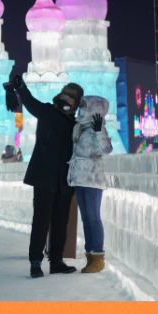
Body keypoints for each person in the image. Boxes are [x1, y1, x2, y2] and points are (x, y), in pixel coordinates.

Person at [11, 73, 84, 278]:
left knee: (61, 223)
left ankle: (56, 261)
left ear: (76, 104)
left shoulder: (75, 125)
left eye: (72, 100)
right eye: (66, 97)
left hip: (64, 180)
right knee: (41, 222)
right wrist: (20, 87)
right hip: (44, 177)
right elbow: (30, 102)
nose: (67, 101)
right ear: (60, 96)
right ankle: (36, 262)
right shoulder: (47, 112)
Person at [68, 96, 112, 273]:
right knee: (86, 219)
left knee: (94, 218)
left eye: (85, 106)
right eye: (82, 106)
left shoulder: (98, 128)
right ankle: (90, 256)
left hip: (93, 178)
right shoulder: (79, 127)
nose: (82, 109)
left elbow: (106, 150)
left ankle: (98, 257)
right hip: (79, 178)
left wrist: (99, 131)